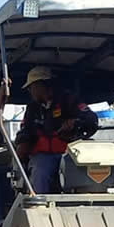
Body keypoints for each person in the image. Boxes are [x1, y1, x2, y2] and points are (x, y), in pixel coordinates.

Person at [12, 66, 99, 194]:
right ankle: (39, 203)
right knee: (40, 171)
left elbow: (91, 119)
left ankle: (80, 200)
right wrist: (22, 145)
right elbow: (25, 131)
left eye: (31, 87)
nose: (30, 91)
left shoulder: (68, 100)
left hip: (70, 154)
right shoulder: (32, 108)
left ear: (41, 85)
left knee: (80, 171)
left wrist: (74, 122)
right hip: (43, 156)